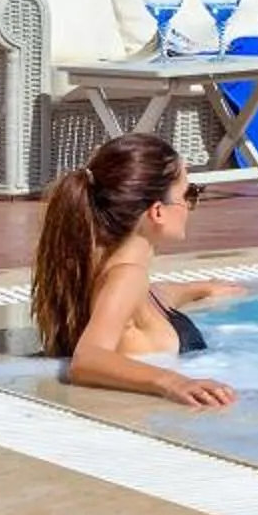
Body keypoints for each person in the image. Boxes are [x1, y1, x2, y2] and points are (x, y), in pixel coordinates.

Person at [29, 133, 245, 408]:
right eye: (189, 194)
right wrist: (174, 382)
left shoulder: (106, 268)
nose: (191, 205)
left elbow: (154, 298)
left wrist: (199, 289)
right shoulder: (127, 276)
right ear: (158, 212)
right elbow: (88, 358)